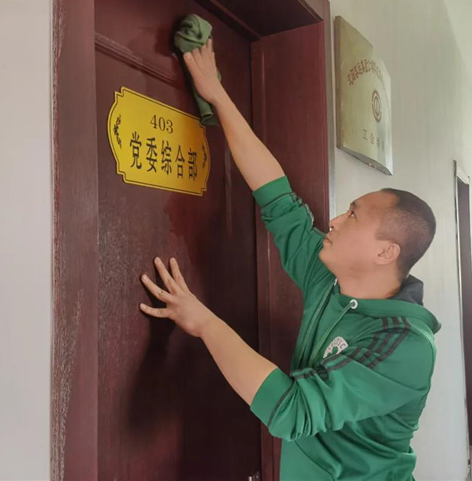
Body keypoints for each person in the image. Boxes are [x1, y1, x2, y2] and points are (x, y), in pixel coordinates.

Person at [140, 39, 441, 481]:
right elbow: (279, 199)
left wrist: (204, 323)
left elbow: (293, 410)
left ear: (385, 252)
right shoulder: (330, 281)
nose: (334, 221)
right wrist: (217, 95)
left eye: (353, 215)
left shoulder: (406, 345)